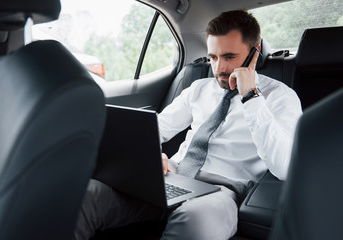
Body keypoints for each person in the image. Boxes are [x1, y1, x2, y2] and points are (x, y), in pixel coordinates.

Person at [73, 10, 302, 240]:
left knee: (194, 221)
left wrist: (251, 96)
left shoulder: (280, 97)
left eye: (229, 57)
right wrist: (150, 158)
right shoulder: (199, 88)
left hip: (222, 193)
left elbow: (284, 166)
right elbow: (156, 130)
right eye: (213, 57)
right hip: (173, 177)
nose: (219, 68)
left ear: (255, 53)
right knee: (88, 194)